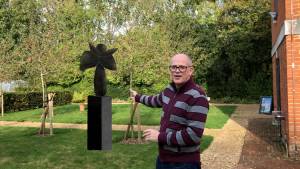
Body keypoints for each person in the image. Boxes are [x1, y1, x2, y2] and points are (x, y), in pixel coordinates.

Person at [131, 53, 209, 169]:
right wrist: (137, 97)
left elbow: (193, 135)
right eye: (173, 67)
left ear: (190, 70)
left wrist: (159, 137)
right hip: (163, 160)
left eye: (182, 67)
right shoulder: (170, 90)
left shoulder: (197, 97)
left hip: (184, 163)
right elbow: (155, 100)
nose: (177, 71)